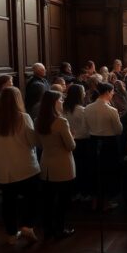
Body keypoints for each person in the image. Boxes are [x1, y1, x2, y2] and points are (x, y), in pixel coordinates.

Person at [0, 87, 40, 244]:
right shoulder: (23, 118)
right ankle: (27, 225)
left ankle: (11, 234)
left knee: (8, 202)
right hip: (25, 166)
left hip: (3, 167)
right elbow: (33, 141)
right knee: (32, 197)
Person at [35, 90, 76, 238]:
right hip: (62, 165)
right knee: (63, 201)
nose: (62, 102)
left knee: (48, 201)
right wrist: (72, 135)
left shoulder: (38, 120)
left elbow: (38, 144)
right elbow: (71, 146)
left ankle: (48, 229)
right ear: (54, 103)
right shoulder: (61, 121)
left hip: (46, 164)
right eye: (60, 100)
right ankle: (60, 228)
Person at [85, 82, 124, 211]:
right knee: (108, 173)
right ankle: (106, 202)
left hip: (92, 142)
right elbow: (119, 130)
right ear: (107, 92)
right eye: (112, 92)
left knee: (94, 172)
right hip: (109, 144)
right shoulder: (111, 110)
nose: (113, 94)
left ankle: (95, 201)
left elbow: (86, 127)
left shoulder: (88, 108)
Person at [63, 84, 91, 201]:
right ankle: (83, 193)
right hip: (83, 142)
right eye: (83, 92)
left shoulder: (64, 108)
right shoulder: (82, 110)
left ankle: (73, 193)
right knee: (83, 169)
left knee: (72, 169)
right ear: (79, 94)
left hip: (68, 142)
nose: (85, 93)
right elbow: (87, 128)